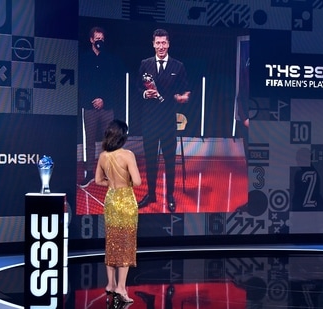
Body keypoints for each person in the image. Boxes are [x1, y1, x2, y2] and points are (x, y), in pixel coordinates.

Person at [137, 28, 191, 212]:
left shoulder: (178, 66)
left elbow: (186, 90)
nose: (161, 46)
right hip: (150, 122)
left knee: (169, 161)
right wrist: (145, 93)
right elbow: (137, 88)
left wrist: (184, 97)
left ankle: (169, 195)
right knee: (150, 161)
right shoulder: (145, 64)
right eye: (157, 43)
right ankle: (151, 194)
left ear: (168, 44)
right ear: (153, 44)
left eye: (164, 42)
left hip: (168, 121)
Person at [95, 120, 141, 304]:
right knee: (126, 243)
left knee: (112, 241)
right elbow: (137, 181)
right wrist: (125, 183)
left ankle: (110, 284)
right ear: (123, 136)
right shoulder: (128, 155)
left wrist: (112, 184)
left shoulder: (103, 156)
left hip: (111, 199)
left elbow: (98, 180)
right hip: (126, 201)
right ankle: (121, 288)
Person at [79, 26, 124, 187]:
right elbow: (82, 84)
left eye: (102, 39)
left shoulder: (110, 59)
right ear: (91, 40)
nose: (99, 41)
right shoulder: (83, 59)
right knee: (90, 142)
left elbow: (114, 84)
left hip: (107, 107)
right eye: (97, 38)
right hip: (89, 107)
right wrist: (93, 99)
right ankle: (90, 172)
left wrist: (103, 100)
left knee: (109, 141)